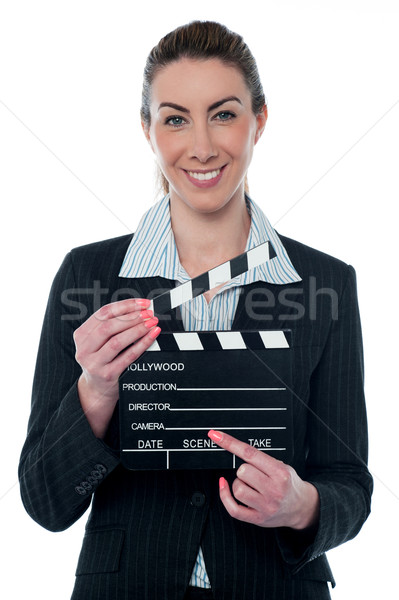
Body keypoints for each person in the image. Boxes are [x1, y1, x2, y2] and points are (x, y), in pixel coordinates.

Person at [19, 20, 372, 600]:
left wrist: (301, 505)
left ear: (259, 120)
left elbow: (351, 485)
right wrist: (96, 394)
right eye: (175, 117)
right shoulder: (88, 277)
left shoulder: (324, 284)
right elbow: (44, 502)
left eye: (225, 113)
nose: (202, 145)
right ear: (147, 130)